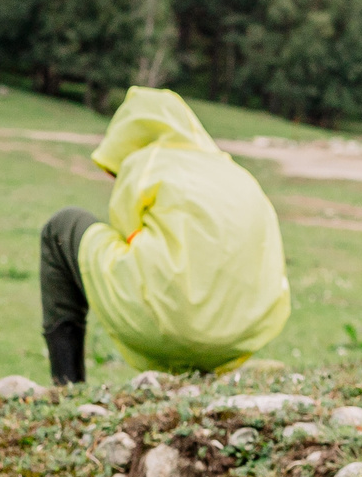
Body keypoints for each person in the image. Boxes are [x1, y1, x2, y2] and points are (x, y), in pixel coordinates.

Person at [39, 87, 291, 382]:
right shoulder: (237, 173)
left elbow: (127, 233)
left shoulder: (146, 163)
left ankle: (66, 386)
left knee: (62, 227)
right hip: (244, 333)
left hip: (169, 324)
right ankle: (203, 373)